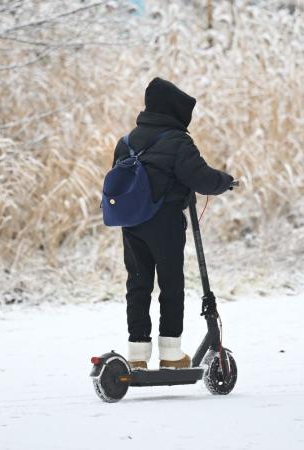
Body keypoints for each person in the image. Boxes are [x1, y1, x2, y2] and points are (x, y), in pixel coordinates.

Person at [112, 77, 234, 370]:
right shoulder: (177, 141)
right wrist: (226, 181)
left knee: (138, 285)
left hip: (131, 225)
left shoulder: (126, 141)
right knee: (171, 286)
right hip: (164, 224)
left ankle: (137, 356)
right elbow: (201, 178)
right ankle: (170, 354)